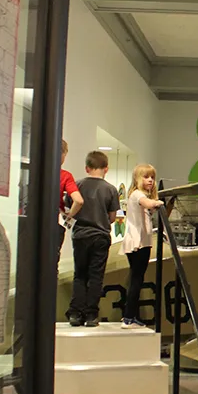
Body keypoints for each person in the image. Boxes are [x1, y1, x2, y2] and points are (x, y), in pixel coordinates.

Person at [68, 151, 120, 328]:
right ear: (106, 168)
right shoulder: (111, 189)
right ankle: (91, 315)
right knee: (96, 276)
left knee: (79, 275)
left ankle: (75, 313)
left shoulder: (78, 185)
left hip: (81, 235)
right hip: (100, 236)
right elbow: (112, 218)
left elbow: (70, 207)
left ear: (86, 168)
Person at [120, 164, 164, 329]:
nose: (150, 180)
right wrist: (158, 202)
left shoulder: (139, 195)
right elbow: (148, 203)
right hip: (138, 244)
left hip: (141, 242)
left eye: (152, 177)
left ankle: (130, 315)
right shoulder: (137, 195)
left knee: (137, 278)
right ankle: (129, 317)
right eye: (146, 177)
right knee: (136, 279)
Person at [58, 139, 83, 267]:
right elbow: (78, 200)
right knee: (52, 261)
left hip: (30, 221)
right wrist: (68, 216)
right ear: (62, 154)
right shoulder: (65, 176)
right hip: (54, 224)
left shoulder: (34, 170)